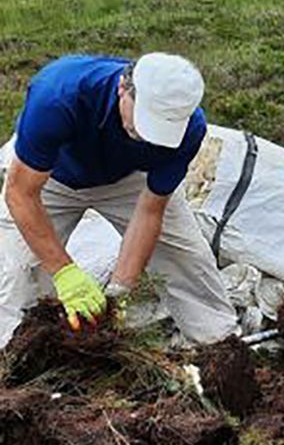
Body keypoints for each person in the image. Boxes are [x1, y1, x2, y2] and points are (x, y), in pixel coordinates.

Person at [0, 53, 238, 348]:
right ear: (123, 88)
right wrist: (65, 271)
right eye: (141, 124)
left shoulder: (189, 130)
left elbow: (151, 211)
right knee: (18, 271)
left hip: (129, 179)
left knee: (185, 255)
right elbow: (20, 194)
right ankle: (12, 360)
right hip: (50, 177)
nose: (144, 137)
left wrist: (120, 288)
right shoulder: (59, 95)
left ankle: (221, 347)